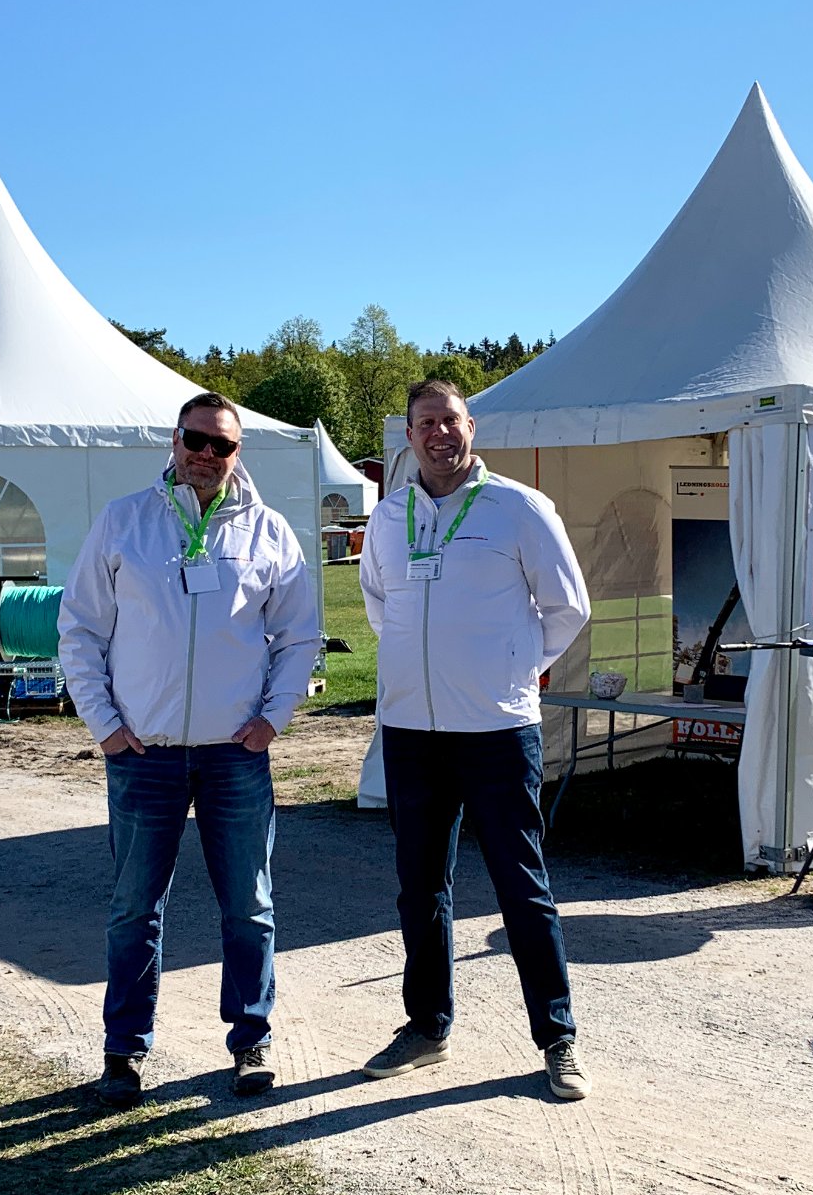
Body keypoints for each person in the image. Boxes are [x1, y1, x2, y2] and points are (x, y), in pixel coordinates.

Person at [58, 391, 322, 1109]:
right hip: (144, 754)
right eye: (196, 440)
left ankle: (250, 1041)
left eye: (222, 445)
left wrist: (273, 717)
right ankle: (124, 1052)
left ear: (240, 454)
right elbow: (79, 627)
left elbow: (300, 635)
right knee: (134, 908)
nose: (207, 455)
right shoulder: (125, 522)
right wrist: (105, 725)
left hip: (235, 753)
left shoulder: (267, 531)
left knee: (250, 904)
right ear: (173, 440)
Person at [358, 379, 593, 1100]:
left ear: (470, 425)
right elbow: (377, 604)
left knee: (522, 887)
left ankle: (557, 1037)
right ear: (408, 434)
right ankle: (427, 1025)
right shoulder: (389, 516)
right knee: (420, 887)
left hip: (496, 729)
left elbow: (568, 607)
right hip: (412, 733)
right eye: (425, 422)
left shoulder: (519, 507)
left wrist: (511, 668)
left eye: (449, 420)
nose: (438, 433)